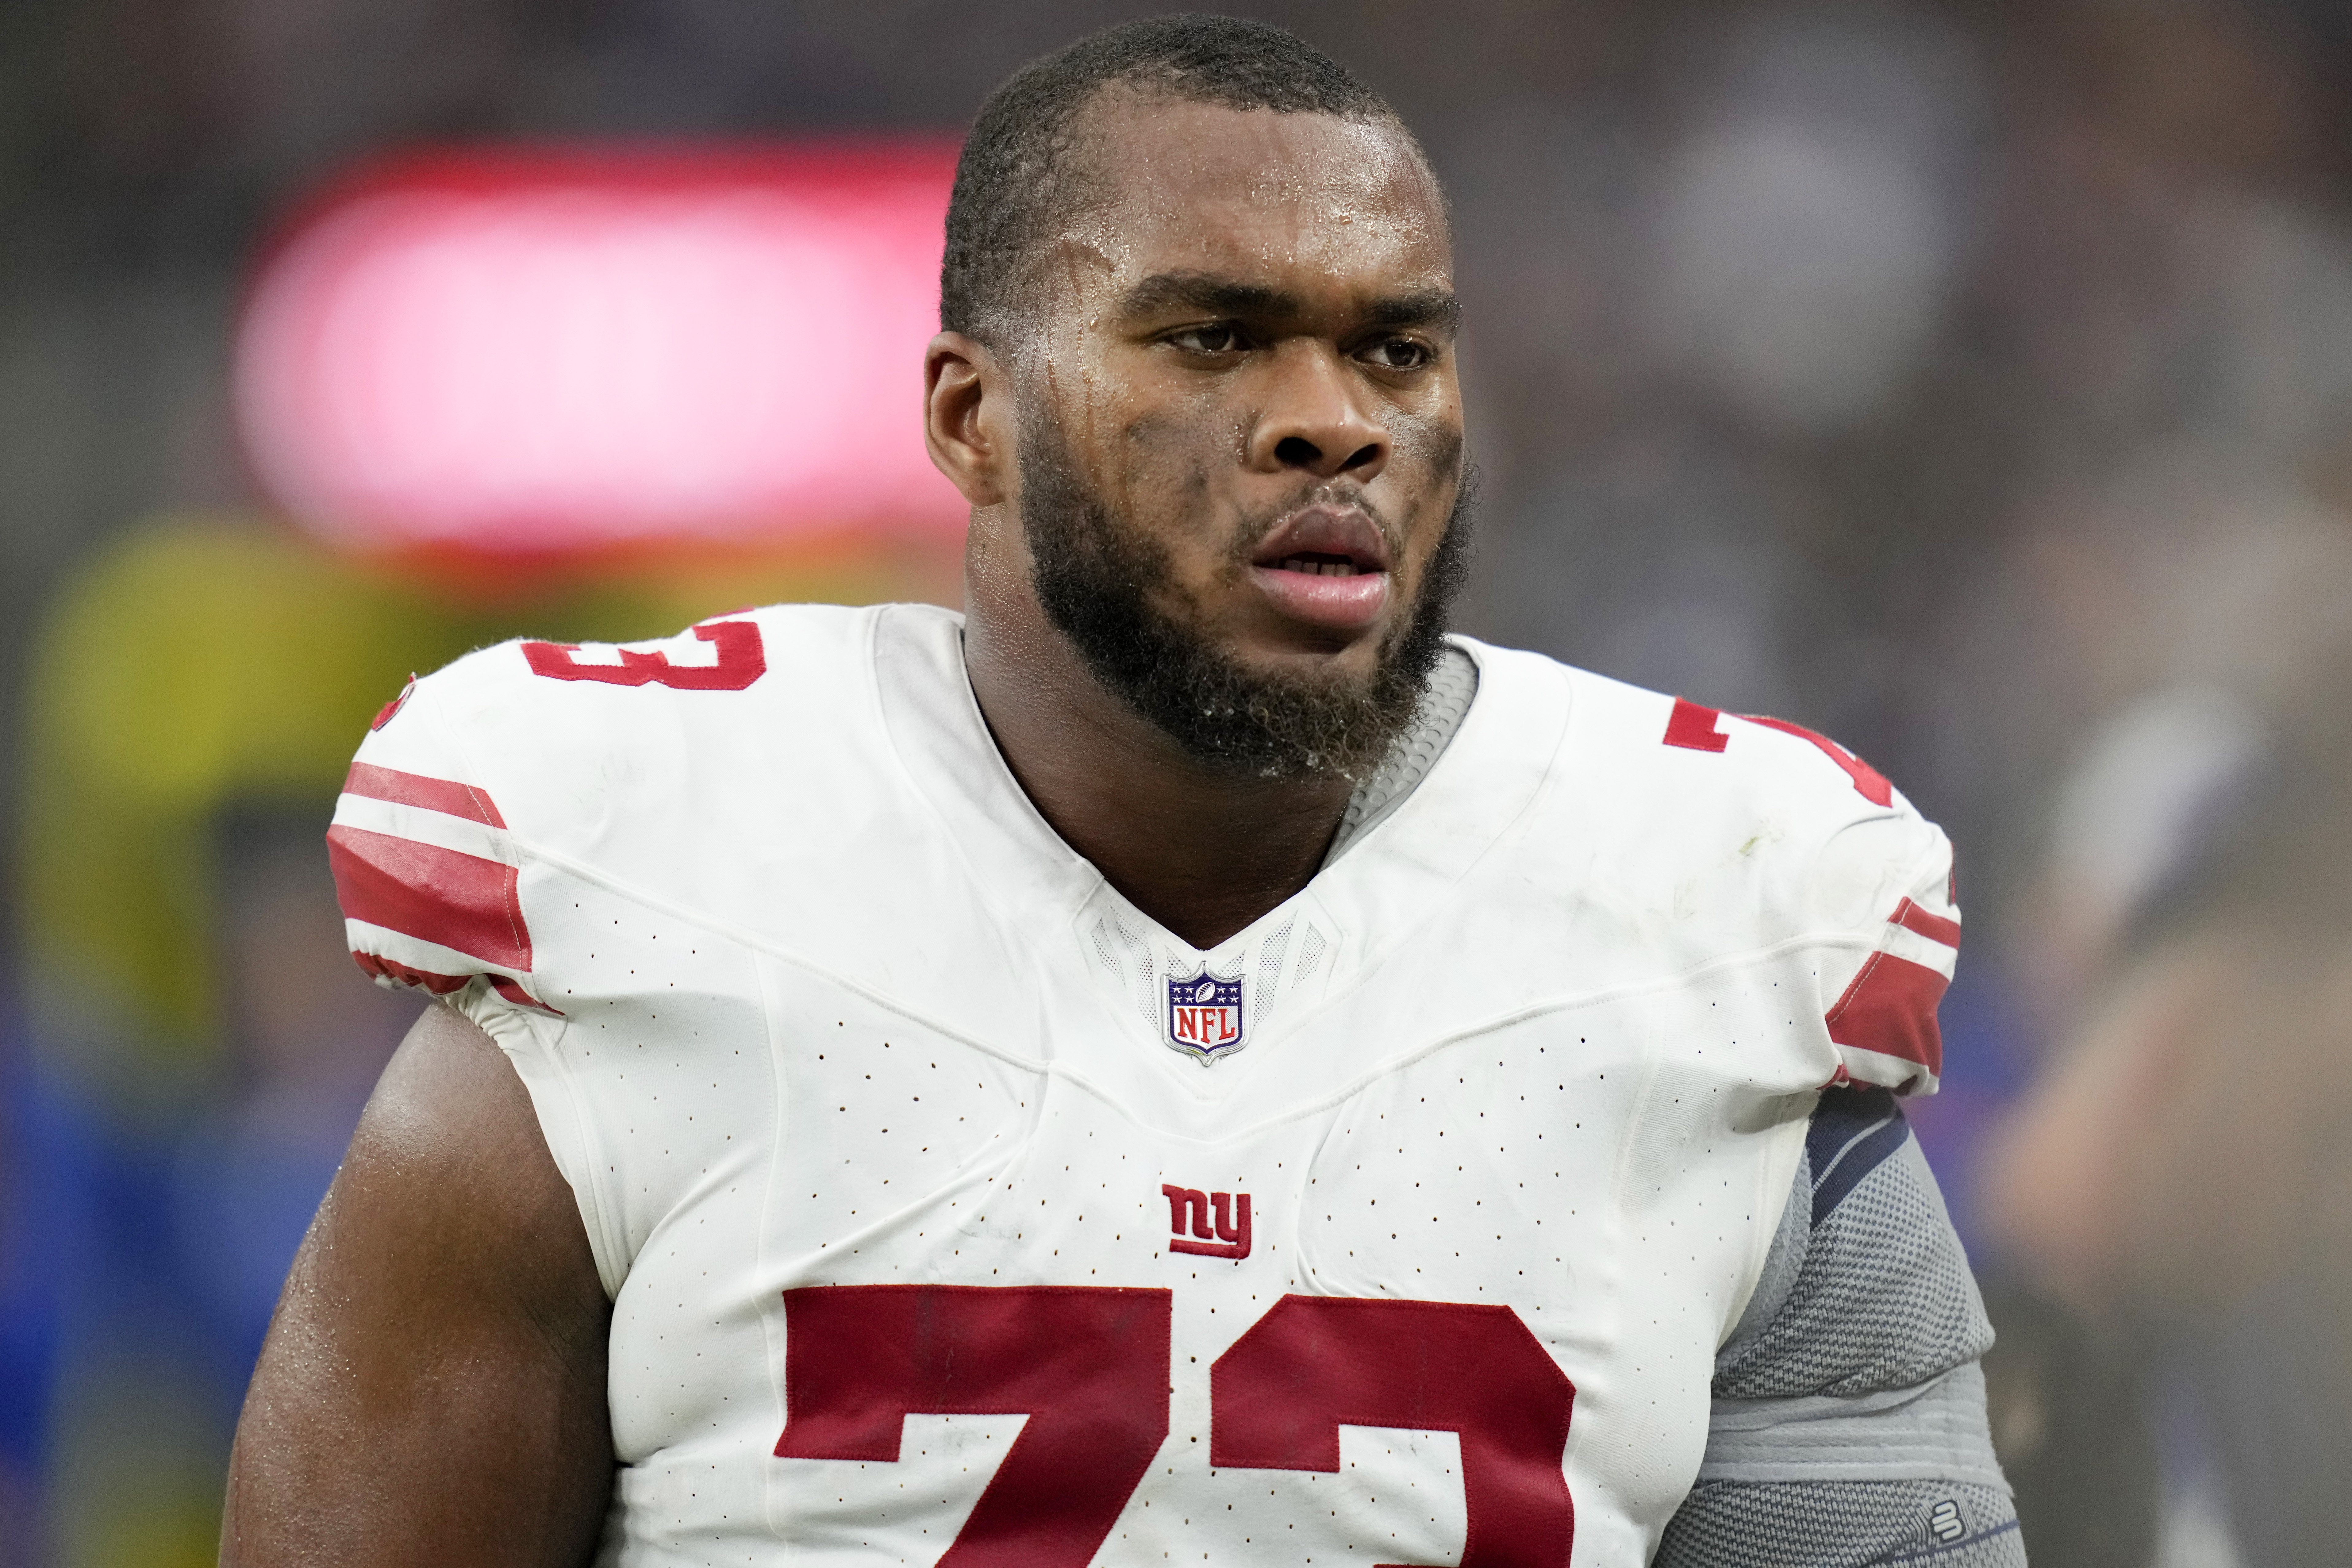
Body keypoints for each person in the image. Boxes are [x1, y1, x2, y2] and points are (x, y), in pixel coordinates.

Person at [221, 16, 2019, 1566]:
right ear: (967, 418)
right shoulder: (641, 895)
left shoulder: (1711, 924)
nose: (1332, 417)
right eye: (1211, 337)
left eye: (1393, 347)